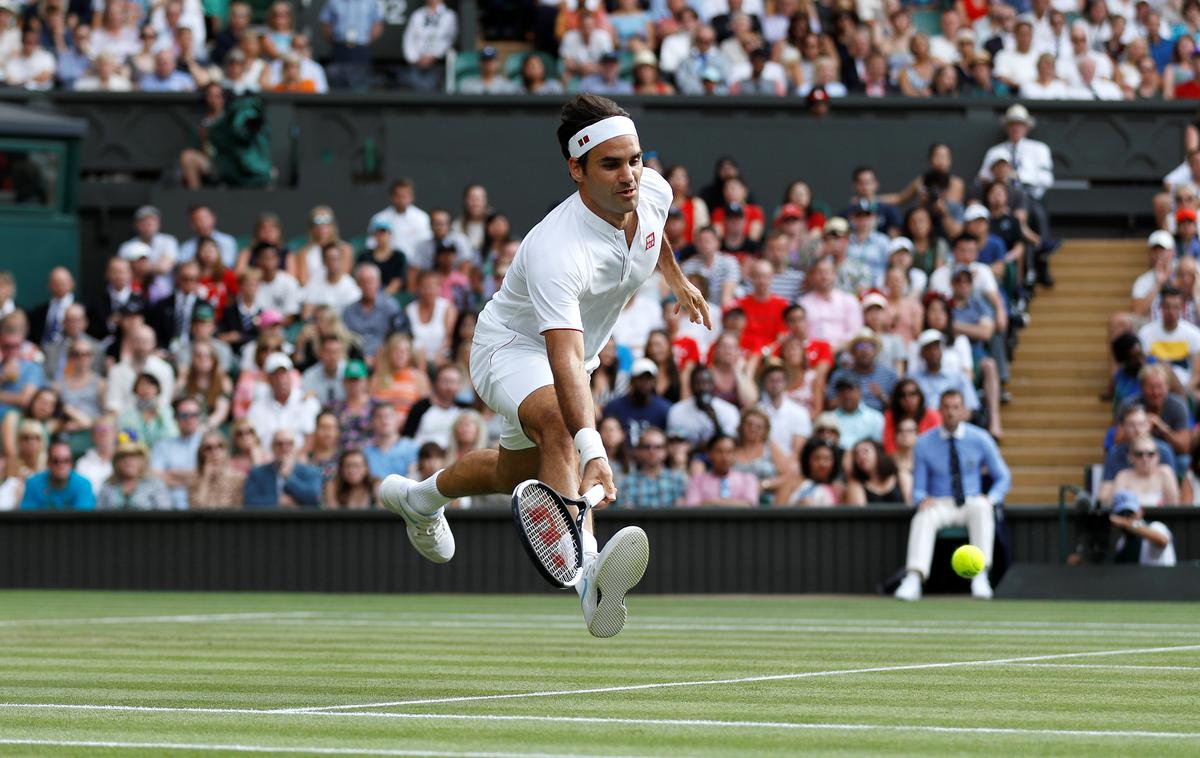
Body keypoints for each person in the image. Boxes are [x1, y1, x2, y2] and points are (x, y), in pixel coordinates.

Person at [377, 95, 709, 638]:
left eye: (635, 159)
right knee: (560, 421)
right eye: (610, 165)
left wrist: (676, 278)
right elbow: (563, 361)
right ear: (576, 170)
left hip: (570, 356)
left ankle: (419, 499)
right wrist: (594, 452)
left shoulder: (651, 191)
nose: (629, 176)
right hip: (509, 350)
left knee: (515, 472)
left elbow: (653, 229)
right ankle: (592, 577)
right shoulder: (557, 249)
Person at [894, 389, 1010, 602]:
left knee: (983, 509)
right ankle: (914, 577)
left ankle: (981, 576)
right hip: (941, 503)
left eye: (956, 407)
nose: (950, 412)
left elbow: (1003, 477)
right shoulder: (923, 443)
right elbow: (918, 487)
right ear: (939, 410)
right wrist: (922, 499)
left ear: (964, 411)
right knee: (923, 517)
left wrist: (991, 498)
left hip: (971, 500)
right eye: (946, 407)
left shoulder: (981, 438)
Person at [246, 353, 320, 449]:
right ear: (268, 379)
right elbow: (255, 441)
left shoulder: (308, 401)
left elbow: (312, 437)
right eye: (275, 375)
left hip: (300, 460)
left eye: (284, 373)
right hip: (268, 460)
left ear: (291, 375)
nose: (281, 379)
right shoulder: (257, 407)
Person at [244, 429, 323, 507]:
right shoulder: (257, 473)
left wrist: (289, 477)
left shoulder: (311, 471)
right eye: (279, 444)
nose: (284, 447)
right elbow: (249, 502)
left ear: (296, 447)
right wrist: (277, 501)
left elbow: (314, 499)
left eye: (289, 443)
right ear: (272, 447)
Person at [150, 397, 204, 509]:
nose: (189, 419)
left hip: (202, 506)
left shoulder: (210, 444)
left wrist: (173, 473)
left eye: (194, 415)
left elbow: (210, 475)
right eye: (184, 415)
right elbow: (155, 475)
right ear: (176, 418)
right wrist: (194, 476)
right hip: (169, 508)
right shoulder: (163, 445)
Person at [603, 357, 672, 445]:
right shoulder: (614, 408)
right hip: (621, 456)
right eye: (640, 379)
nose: (645, 383)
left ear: (654, 381)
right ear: (632, 380)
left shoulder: (664, 409)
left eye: (648, 379)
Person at [617, 426, 687, 508]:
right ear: (638, 451)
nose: (652, 451)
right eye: (647, 447)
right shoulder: (627, 482)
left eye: (658, 447)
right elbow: (625, 516)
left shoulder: (679, 480)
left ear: (666, 450)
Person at [320, 0, 383, 90]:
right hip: (340, 49)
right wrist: (336, 42)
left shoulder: (371, 2)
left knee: (360, 88)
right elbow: (326, 24)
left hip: (361, 50)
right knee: (337, 87)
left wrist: (365, 41)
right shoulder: (333, 2)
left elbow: (377, 25)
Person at [400, 363, 467, 448]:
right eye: (446, 381)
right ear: (435, 382)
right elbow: (407, 438)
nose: (450, 386)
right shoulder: (420, 407)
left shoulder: (464, 410)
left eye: (454, 382)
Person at [97, 437, 173, 510]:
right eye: (123, 457)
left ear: (142, 461)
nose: (128, 461)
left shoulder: (155, 484)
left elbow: (165, 512)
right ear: (116, 463)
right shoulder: (108, 485)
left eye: (133, 457)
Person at [683, 434, 759, 506]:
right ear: (709, 454)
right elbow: (693, 507)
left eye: (729, 452)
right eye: (719, 452)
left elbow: (749, 505)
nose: (725, 457)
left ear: (735, 454)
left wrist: (710, 503)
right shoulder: (697, 481)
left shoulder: (748, 479)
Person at [19, 439, 95, 511]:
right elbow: (28, 518)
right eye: (55, 461)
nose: (61, 465)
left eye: (66, 460)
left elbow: (83, 519)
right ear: (48, 463)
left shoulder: (83, 485)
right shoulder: (33, 484)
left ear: (72, 463)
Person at [1108, 490, 1177, 566]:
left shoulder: (1156, 526)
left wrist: (1126, 523)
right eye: (1122, 514)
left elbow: (1162, 540)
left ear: (1140, 512)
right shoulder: (1122, 542)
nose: (1127, 517)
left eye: (1130, 513)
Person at [1111, 434, 1180, 507]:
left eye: (1150, 454)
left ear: (1158, 456)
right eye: (1139, 454)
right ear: (1131, 457)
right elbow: (1114, 506)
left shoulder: (1165, 473)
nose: (1145, 459)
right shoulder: (1123, 476)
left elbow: (1174, 506)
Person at [188, 431, 246, 509]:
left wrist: (224, 476)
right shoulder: (194, 480)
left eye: (220, 446)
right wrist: (205, 479)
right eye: (209, 448)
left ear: (226, 451)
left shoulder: (239, 479)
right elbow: (196, 509)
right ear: (201, 453)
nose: (215, 452)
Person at [883, 377, 942, 454]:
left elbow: (938, 444)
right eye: (902, 395)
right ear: (897, 399)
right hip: (898, 461)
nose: (907, 398)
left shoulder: (932, 416)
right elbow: (889, 447)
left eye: (912, 394)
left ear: (920, 396)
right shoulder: (890, 416)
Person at [845, 439, 910, 505]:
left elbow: (911, 504)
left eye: (865, 451)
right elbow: (860, 513)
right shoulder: (856, 484)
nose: (861, 456)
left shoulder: (901, 476)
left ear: (878, 452)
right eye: (857, 454)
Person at [363, 402, 419, 480]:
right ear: (372, 422)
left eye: (389, 416)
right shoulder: (365, 452)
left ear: (397, 420)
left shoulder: (413, 448)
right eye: (379, 417)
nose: (384, 420)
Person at [781, 437, 842, 506]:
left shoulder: (838, 489)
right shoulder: (792, 484)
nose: (822, 464)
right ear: (808, 460)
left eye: (827, 459)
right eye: (817, 458)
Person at [76, 416, 116, 495]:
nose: (103, 433)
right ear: (93, 436)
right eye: (99, 429)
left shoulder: (124, 460)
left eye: (108, 429)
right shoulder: (83, 464)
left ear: (115, 433)